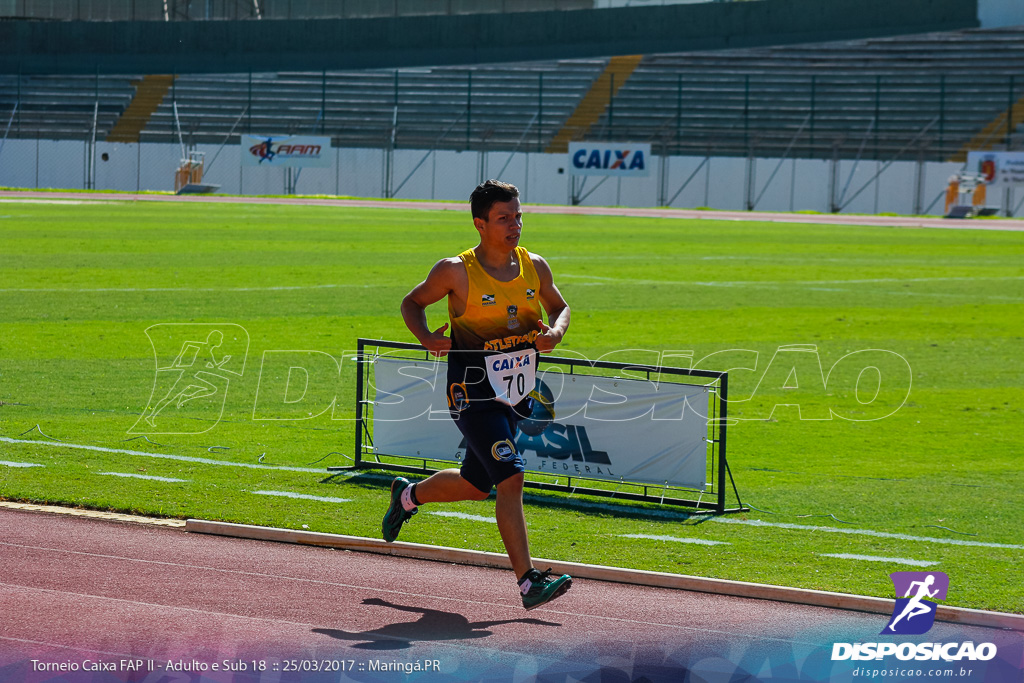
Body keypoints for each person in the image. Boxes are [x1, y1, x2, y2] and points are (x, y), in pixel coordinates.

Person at [382, 179, 573, 610]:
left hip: (514, 395)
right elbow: (412, 304)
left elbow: (559, 307)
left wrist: (555, 333)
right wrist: (428, 337)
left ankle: (408, 496)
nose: (515, 225)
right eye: (504, 218)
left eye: (519, 216)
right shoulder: (454, 270)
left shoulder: (535, 266)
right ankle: (528, 583)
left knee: (475, 483)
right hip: (470, 391)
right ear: (480, 224)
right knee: (512, 477)